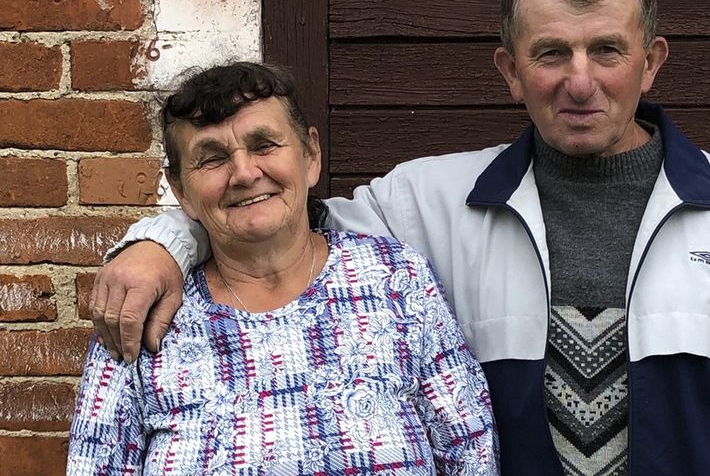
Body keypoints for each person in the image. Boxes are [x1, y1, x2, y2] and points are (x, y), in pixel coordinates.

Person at [89, 0, 710, 474]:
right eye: (550, 53)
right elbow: (270, 218)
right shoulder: (429, 204)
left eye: (607, 51)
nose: (579, 81)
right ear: (510, 70)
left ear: (650, 61)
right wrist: (160, 242)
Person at [68, 63, 498, 475]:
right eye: (212, 158)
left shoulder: (396, 280)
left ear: (310, 155)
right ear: (180, 190)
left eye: (264, 145)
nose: (244, 173)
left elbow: (471, 452)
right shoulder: (143, 312)